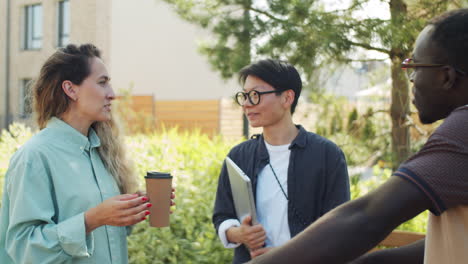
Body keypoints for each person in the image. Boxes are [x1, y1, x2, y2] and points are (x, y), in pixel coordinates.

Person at [248, 8, 468, 264]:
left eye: (415, 66)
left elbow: (365, 217)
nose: (412, 79)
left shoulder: (463, 130)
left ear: (447, 77)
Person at [0, 44, 157, 263]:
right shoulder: (34, 157)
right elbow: (25, 247)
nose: (112, 94)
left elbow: (106, 239)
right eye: (102, 82)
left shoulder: (99, 153)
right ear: (71, 89)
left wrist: (133, 208)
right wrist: (92, 219)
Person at [212, 59, 350, 263]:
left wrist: (287, 256)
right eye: (244, 96)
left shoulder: (327, 155)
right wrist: (238, 234)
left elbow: (338, 227)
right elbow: (222, 216)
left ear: (287, 98)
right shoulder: (238, 156)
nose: (247, 104)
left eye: (255, 95)